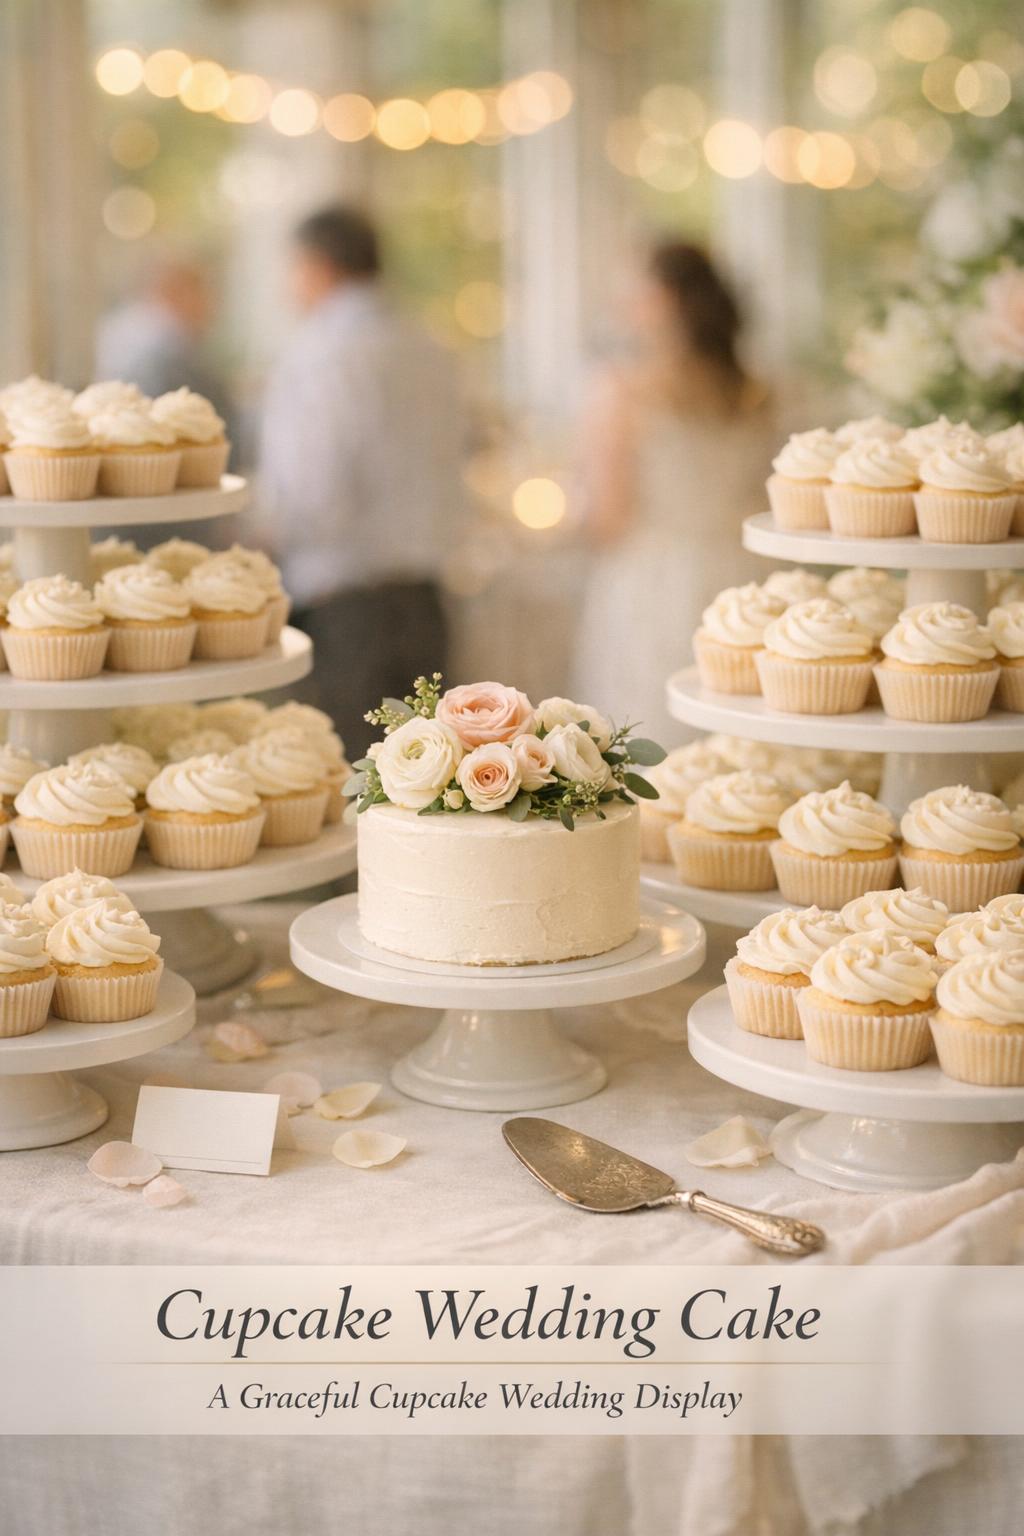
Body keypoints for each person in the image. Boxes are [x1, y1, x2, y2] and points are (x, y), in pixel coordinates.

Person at [259, 205, 462, 756]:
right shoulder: (428, 344)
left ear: (318, 265)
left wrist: (263, 544)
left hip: (347, 603)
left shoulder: (322, 351)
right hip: (426, 596)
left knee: (356, 782)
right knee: (428, 780)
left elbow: (313, 487)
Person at [573, 241, 775, 746]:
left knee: (651, 742)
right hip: (743, 583)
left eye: (633, 291)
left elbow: (608, 518)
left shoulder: (621, 390)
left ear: (663, 300)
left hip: (652, 586)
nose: (623, 304)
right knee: (738, 742)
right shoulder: (755, 391)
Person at [96, 257, 231, 426]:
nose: (212, 306)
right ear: (177, 292)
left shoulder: (168, 345)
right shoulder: (162, 359)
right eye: (203, 292)